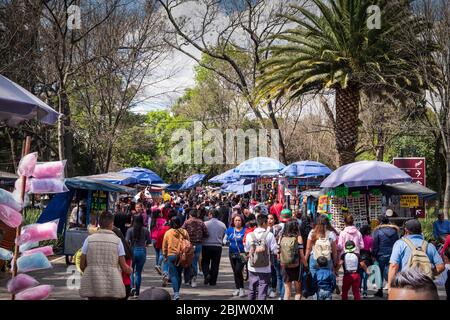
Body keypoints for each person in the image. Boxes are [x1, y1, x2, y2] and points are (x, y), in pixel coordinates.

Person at [79, 211, 132, 300]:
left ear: (99, 223)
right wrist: (130, 270)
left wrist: (90, 270)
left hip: (93, 285)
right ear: (112, 224)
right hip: (112, 286)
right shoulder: (118, 241)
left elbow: (82, 264)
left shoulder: (89, 240)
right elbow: (124, 267)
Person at [388, 219, 445, 293]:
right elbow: (441, 266)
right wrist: (429, 274)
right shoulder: (429, 246)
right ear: (421, 230)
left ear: (406, 230)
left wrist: (390, 287)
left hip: (405, 285)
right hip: (424, 286)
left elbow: (394, 266)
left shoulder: (400, 244)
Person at [244, 214, 278, 300]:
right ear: (264, 223)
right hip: (265, 267)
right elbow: (274, 250)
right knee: (263, 290)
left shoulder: (249, 235)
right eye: (267, 222)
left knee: (252, 288)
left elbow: (247, 249)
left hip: (252, 266)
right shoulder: (269, 235)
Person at [162, 216, 190, 300]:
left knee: (173, 274)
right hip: (182, 255)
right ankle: (177, 291)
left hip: (171, 255)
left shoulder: (168, 232)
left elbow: (164, 245)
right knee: (179, 274)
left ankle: (176, 293)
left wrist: (165, 255)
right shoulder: (184, 232)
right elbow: (188, 243)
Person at [279, 219, 307, 300]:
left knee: (287, 292)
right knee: (298, 292)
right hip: (296, 267)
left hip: (285, 266)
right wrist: (306, 266)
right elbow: (302, 255)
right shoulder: (298, 238)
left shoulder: (281, 237)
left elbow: (278, 252)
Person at [372, 214, 399, 297]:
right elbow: (397, 242)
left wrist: (374, 254)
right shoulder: (394, 231)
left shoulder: (378, 231)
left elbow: (375, 244)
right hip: (392, 254)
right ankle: (390, 292)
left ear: (380, 222)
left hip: (381, 254)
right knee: (391, 273)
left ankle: (380, 291)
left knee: (379, 272)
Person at [182, 208, 209, 287]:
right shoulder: (201, 222)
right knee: (195, 261)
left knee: (186, 261)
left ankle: (187, 280)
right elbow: (206, 233)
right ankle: (194, 279)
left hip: (188, 244)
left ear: (190, 215)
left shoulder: (186, 222)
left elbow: (182, 231)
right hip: (198, 244)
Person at [126, 214, 150, 298]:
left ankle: (132, 287)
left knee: (131, 271)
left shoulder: (130, 230)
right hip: (142, 251)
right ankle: (137, 292)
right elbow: (149, 241)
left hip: (132, 251)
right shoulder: (145, 230)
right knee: (138, 273)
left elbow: (126, 241)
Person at [202, 209, 226, 286]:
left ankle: (206, 274)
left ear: (210, 214)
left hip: (206, 245)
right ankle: (213, 281)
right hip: (217, 246)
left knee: (205, 261)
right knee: (215, 264)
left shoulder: (205, 224)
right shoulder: (222, 225)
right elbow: (223, 236)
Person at [225, 214, 247, 297]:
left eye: (239, 220)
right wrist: (226, 242)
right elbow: (224, 239)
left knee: (238, 270)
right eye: (236, 220)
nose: (237, 222)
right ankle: (237, 288)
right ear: (233, 222)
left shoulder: (245, 230)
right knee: (235, 272)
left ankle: (242, 289)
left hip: (243, 254)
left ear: (242, 221)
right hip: (232, 253)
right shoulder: (229, 230)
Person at [112, 227, 133, 300]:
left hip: (116, 285)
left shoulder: (115, 249)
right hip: (126, 284)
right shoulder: (127, 249)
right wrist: (130, 270)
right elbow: (128, 270)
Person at [267, 213, 283, 299]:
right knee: (267, 272)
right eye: (268, 218)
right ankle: (270, 287)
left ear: (275, 220)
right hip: (265, 254)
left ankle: (273, 289)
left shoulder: (278, 229)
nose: (269, 220)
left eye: (271, 218)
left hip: (275, 253)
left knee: (275, 272)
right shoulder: (264, 229)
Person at [150, 209, 167, 275]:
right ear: (159, 214)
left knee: (157, 253)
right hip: (161, 238)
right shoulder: (163, 221)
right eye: (161, 213)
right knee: (162, 253)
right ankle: (158, 265)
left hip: (153, 239)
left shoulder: (152, 221)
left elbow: (150, 230)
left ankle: (157, 265)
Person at [359, 225, 373, 298]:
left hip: (359, 257)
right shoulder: (370, 238)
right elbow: (371, 250)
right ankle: (365, 291)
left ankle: (358, 290)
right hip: (367, 258)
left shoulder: (359, 238)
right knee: (365, 276)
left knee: (360, 275)